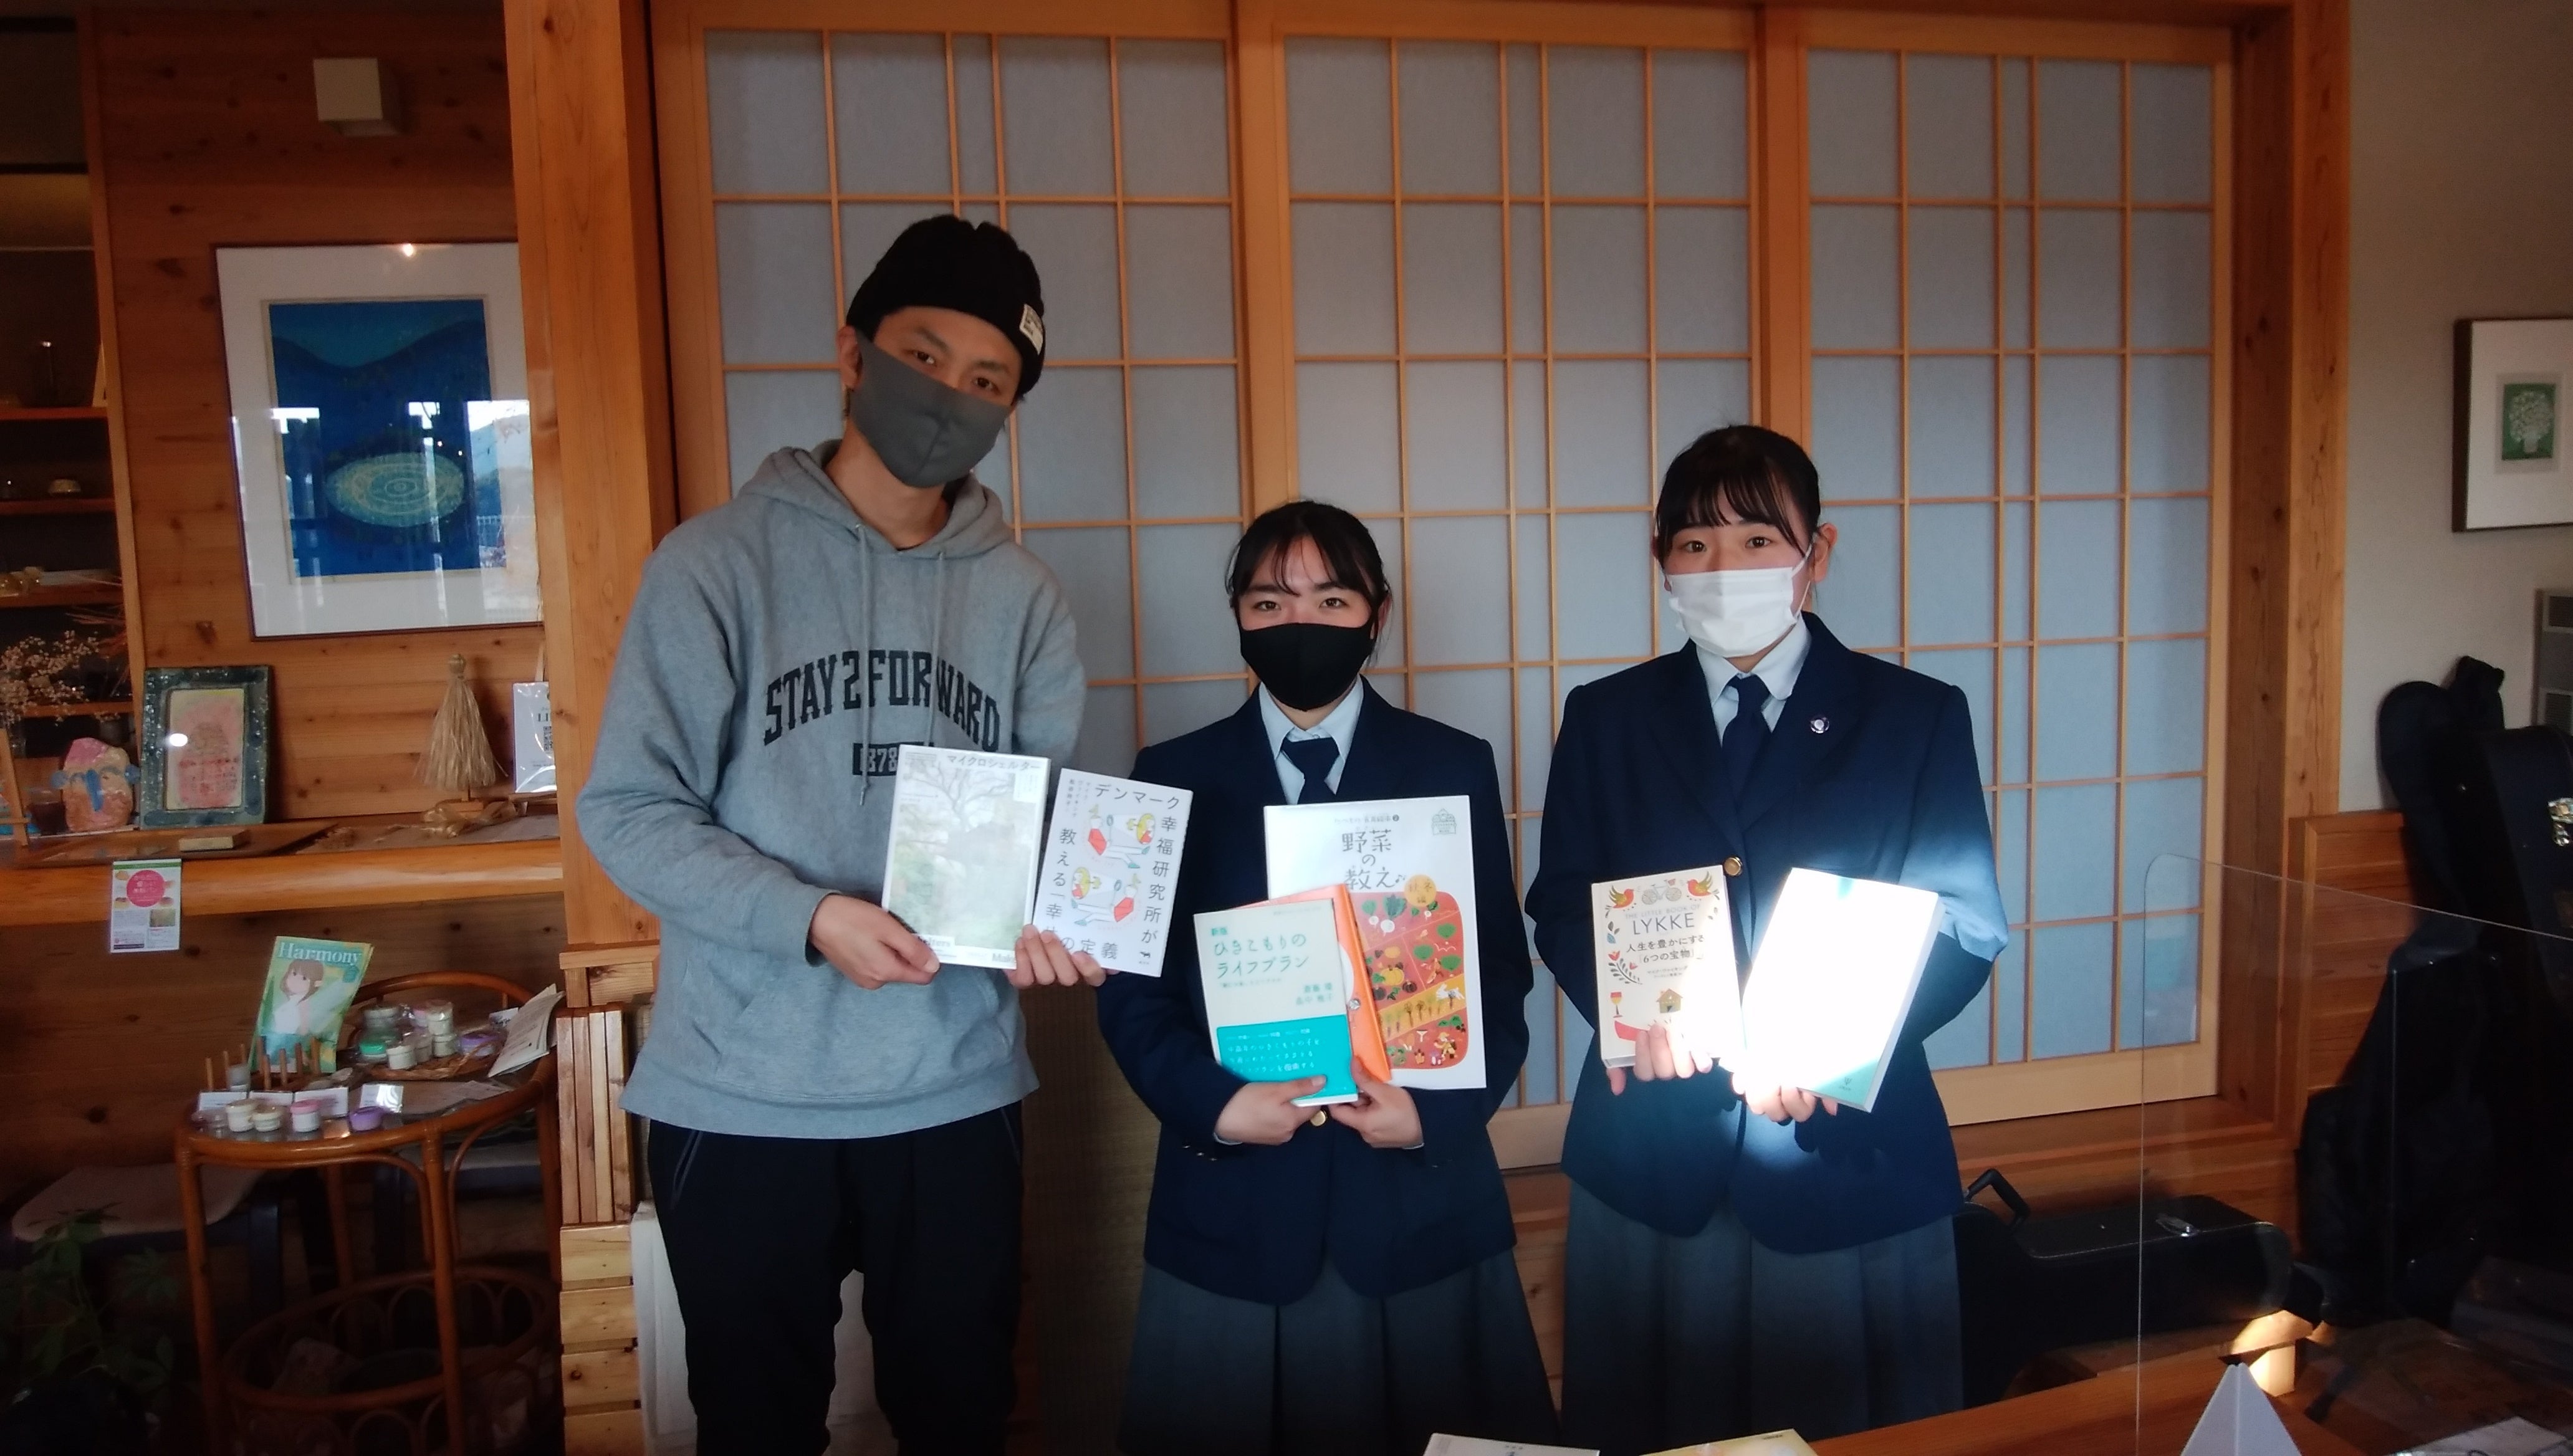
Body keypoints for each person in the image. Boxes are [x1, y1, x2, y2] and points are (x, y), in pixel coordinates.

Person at [578, 214, 1092, 1456]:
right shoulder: (712, 566)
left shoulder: (1022, 599)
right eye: (925, 357)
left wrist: (1058, 913)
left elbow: (1040, 824)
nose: (952, 397)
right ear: (854, 353)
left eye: (989, 382)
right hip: (742, 1092)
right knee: (755, 1427)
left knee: (963, 1419)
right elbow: (628, 808)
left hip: (954, 1086)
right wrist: (810, 917)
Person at [1530, 426, 2010, 1455]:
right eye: (1694, 544)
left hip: (1848, 1152)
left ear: (1815, 552)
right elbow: (1564, 902)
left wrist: (1841, 1043)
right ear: (1661, 560)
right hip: (1655, 1147)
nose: (1724, 567)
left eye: (1756, 540)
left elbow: (1966, 923)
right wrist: (1630, 1014)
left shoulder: (1914, 715)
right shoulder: (1606, 717)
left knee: (1849, 1431)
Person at [1091, 501, 1557, 1456]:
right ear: (1237, 615)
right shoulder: (1168, 777)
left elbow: (1499, 980)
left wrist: (1432, 1116)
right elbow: (1134, 998)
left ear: (1376, 613)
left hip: (1421, 1195)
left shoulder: (1452, 765)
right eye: (1269, 601)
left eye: (1331, 599)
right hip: (1235, 1201)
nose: (1298, 621)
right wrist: (1219, 1107)